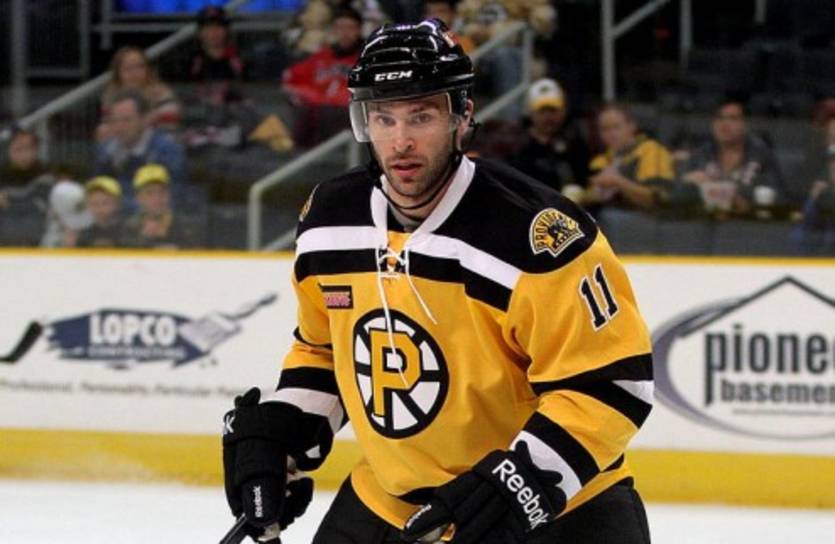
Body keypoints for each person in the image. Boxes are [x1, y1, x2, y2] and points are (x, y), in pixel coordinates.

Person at [221, 20, 653, 544]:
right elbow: (325, 350)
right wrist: (285, 431)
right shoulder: (329, 218)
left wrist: (522, 483)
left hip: (557, 514)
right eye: (384, 118)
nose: (400, 141)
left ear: (462, 116)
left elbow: (611, 384)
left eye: (421, 116)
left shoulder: (535, 234)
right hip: (389, 503)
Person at [681, 99, 786, 217]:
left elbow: (781, 200)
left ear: (745, 125)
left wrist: (726, 194)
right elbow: (676, 197)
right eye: (719, 118)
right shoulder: (701, 154)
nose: (724, 124)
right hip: (706, 222)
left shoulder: (762, 156)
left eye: (732, 118)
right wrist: (687, 182)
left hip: (748, 224)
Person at [282, 7, 364, 147]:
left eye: (350, 28)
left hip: (349, 116)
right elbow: (291, 80)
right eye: (340, 28)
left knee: (328, 112)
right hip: (319, 113)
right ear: (333, 31)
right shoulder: (321, 56)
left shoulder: (369, 58)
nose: (345, 33)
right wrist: (309, 96)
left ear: (359, 30)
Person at [93, 90, 187, 206]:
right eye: (114, 121)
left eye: (126, 120)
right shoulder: (106, 150)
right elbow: (98, 190)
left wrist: (116, 203)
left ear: (145, 119)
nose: (119, 127)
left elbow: (171, 198)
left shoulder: (167, 151)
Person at [585, 103, 675, 211]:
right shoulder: (601, 160)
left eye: (616, 127)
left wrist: (618, 182)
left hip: (644, 217)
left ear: (632, 126)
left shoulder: (651, 151)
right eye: (605, 129)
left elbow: (657, 200)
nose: (611, 134)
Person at [510, 78, 589, 194]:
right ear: (530, 112)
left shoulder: (575, 143)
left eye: (553, 110)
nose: (548, 117)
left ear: (564, 111)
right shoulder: (516, 146)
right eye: (542, 110)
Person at [98, 46, 181, 139]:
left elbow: (169, 132)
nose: (134, 73)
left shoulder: (162, 94)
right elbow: (107, 129)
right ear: (118, 73)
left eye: (139, 66)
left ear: (147, 69)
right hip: (120, 144)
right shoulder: (111, 96)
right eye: (128, 68)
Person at [121, 164, 201, 249]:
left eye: (161, 192)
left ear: (169, 195)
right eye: (149, 193)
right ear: (138, 198)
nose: (157, 198)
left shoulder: (187, 226)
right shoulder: (127, 227)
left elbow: (197, 253)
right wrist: (144, 238)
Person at [76, 176, 126, 248]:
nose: (99, 208)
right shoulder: (84, 235)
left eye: (105, 203)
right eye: (94, 203)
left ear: (118, 203)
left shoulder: (131, 231)